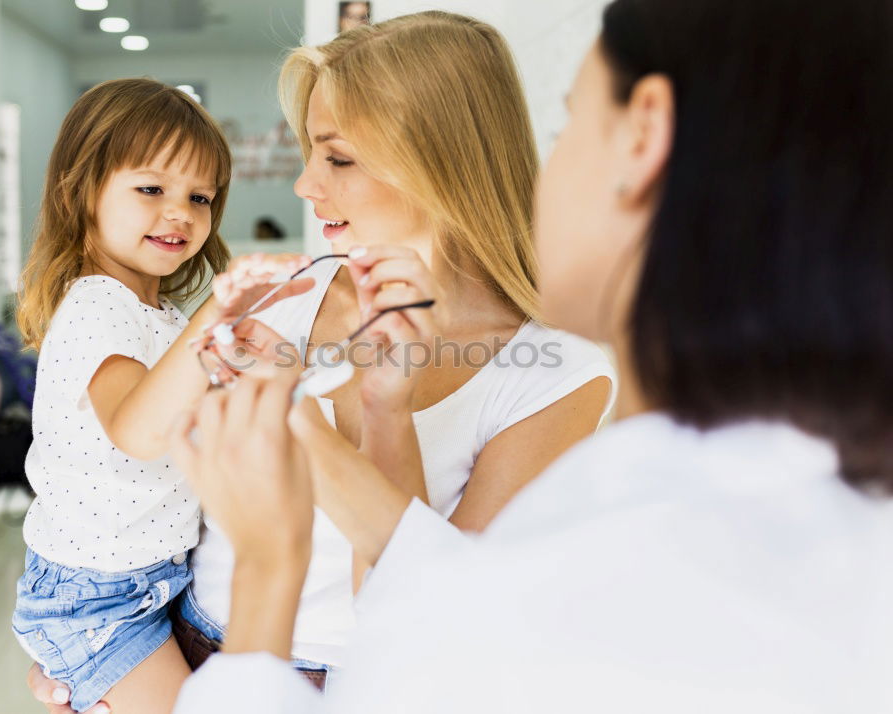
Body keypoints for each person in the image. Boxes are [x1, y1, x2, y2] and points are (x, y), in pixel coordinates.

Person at [166, 0, 893, 710]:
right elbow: (445, 587)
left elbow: (448, 640)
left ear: (644, 136)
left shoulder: (589, 550)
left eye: (567, 122)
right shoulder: (804, 535)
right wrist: (340, 418)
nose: (535, 168)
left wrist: (268, 570)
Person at [27, 11, 614, 712]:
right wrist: (90, 653)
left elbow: (428, 618)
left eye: (336, 157)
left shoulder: (556, 371)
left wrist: (352, 413)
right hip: (185, 648)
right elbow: (128, 473)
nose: (305, 185)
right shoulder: (284, 293)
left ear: (438, 160)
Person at [12, 78, 309, 714]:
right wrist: (217, 315)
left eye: (200, 197)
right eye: (152, 189)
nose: (181, 212)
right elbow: (138, 430)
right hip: (97, 599)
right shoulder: (97, 302)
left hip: (151, 580)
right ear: (81, 186)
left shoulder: (162, 315)